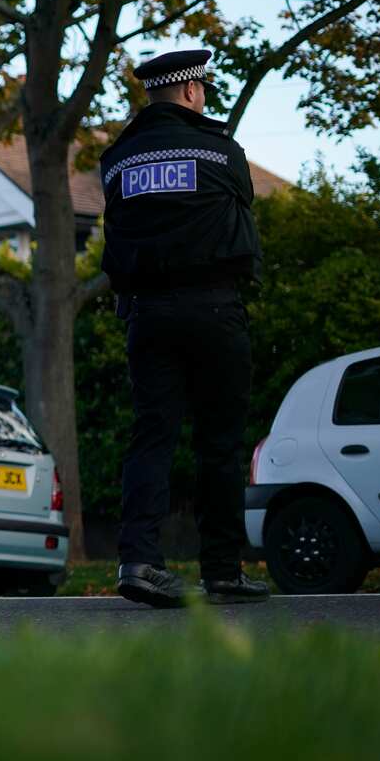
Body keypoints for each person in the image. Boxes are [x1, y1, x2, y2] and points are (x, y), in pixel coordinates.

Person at [100, 49, 271, 608]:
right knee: (218, 443)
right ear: (192, 92)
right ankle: (221, 570)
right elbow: (241, 204)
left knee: (151, 436)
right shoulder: (221, 150)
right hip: (215, 309)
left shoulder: (116, 159)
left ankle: (140, 562)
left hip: (147, 314)